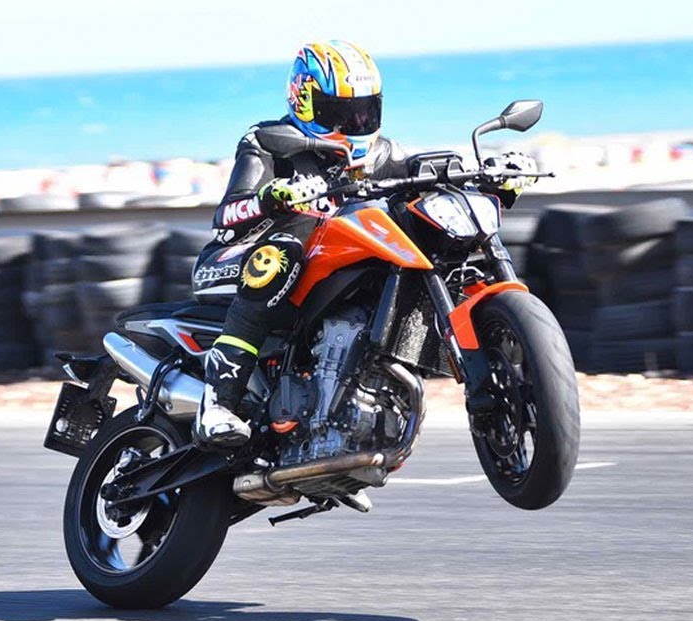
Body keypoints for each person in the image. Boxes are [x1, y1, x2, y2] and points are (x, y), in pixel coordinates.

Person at [194, 39, 536, 448]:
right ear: (304, 102)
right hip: (238, 258)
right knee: (279, 255)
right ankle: (218, 405)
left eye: (365, 110)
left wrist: (492, 178)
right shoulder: (269, 142)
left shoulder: (381, 153)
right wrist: (272, 197)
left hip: (321, 265)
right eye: (339, 111)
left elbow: (425, 176)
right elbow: (227, 216)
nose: (355, 121)